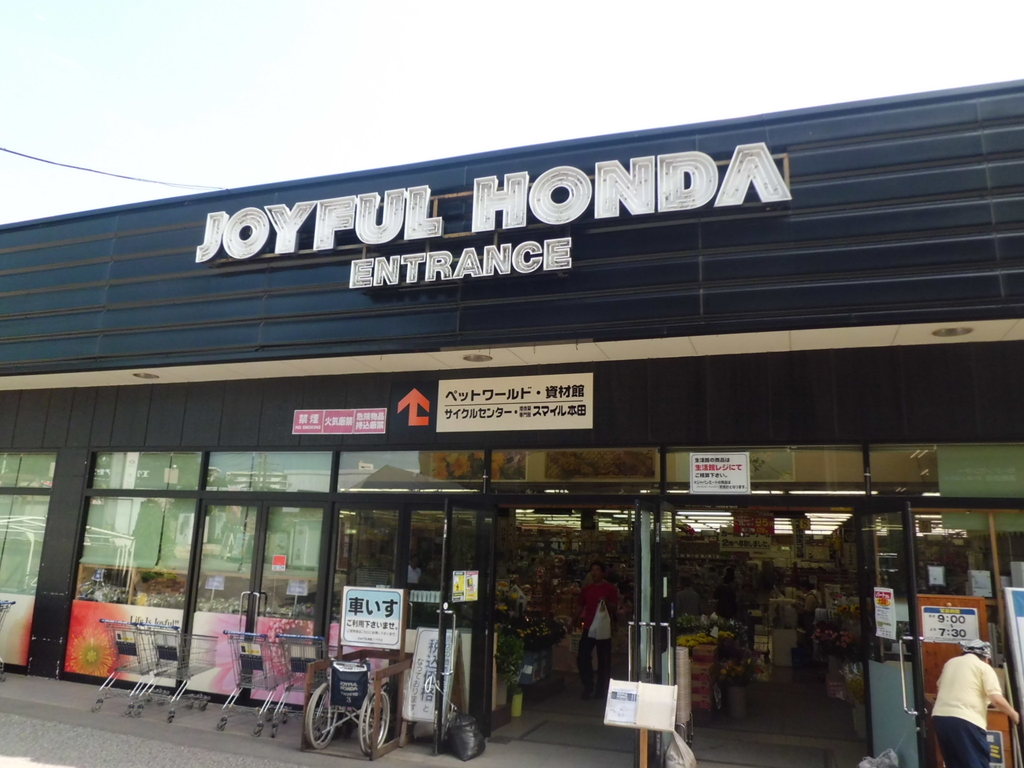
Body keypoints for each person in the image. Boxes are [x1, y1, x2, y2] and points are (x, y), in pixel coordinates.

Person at [932, 639, 1019, 768]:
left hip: (941, 718)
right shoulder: (983, 667)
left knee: (955, 763)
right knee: (976, 763)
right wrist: (1014, 714)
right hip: (966, 720)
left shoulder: (950, 663)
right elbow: (996, 699)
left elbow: (939, 686)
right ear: (986, 658)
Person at [576, 561, 619, 700]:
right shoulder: (587, 589)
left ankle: (601, 689)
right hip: (589, 627)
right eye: (592, 570)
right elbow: (580, 605)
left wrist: (606, 602)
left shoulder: (610, 589)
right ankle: (588, 685)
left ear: (602, 572)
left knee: (604, 660)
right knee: (583, 657)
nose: (594, 573)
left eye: (597, 570)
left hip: (603, 628)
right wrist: (573, 620)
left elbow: (614, 607)